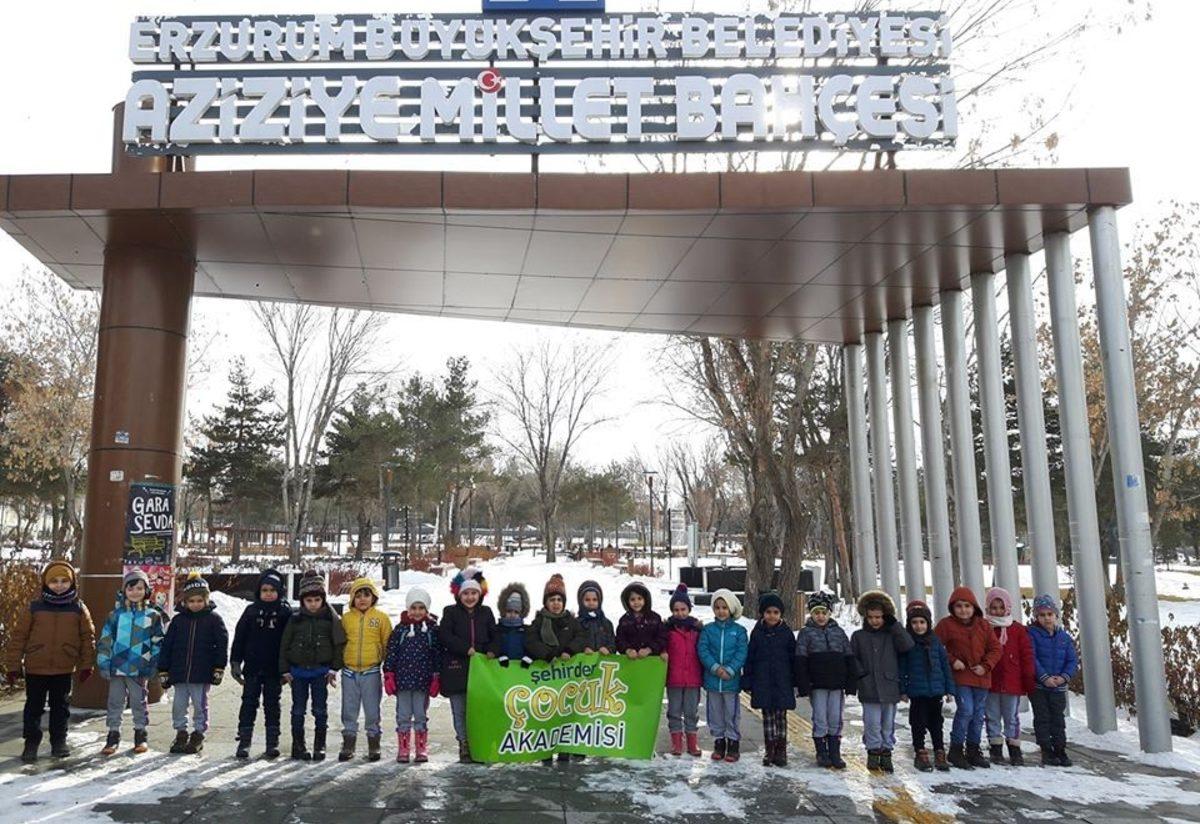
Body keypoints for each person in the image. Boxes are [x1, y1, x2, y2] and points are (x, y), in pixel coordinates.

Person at [6, 561, 97, 763]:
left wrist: (86, 664)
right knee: (33, 707)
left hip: (63, 667)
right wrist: (13, 666)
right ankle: (31, 742)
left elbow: (87, 638)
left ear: (72, 583)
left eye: (64, 581)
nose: (59, 585)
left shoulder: (78, 608)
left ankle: (59, 741)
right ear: (46, 583)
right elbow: (19, 637)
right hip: (36, 667)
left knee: (60, 707)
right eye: (54, 581)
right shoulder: (34, 607)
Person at [96, 568, 167, 756]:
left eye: (139, 588)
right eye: (131, 588)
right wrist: (104, 662)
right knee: (115, 701)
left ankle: (140, 733)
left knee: (138, 701)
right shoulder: (115, 616)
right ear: (124, 591)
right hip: (117, 667)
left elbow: (158, 642)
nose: (135, 592)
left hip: (139, 668)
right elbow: (105, 640)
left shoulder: (153, 616)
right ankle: (113, 734)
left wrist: (154, 664)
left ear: (146, 591)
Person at [279, 569, 345, 762]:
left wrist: (334, 668)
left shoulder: (330, 620)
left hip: (320, 672)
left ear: (323, 599)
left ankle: (319, 745)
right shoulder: (295, 619)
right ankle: (298, 745)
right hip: (298, 672)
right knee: (298, 709)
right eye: (309, 600)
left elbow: (338, 645)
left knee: (320, 709)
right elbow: (284, 644)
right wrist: (284, 669)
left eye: (317, 600)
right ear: (302, 601)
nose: (313, 604)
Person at [159, 572, 228, 756]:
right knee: (179, 705)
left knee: (200, 704)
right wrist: (163, 669)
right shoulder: (178, 621)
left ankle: (198, 733)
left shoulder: (214, 620)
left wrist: (219, 667)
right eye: (191, 601)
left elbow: (221, 645)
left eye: (200, 600)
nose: (195, 604)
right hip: (179, 672)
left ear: (206, 600)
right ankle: (181, 732)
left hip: (202, 673)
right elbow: (167, 645)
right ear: (185, 602)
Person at [935, 586, 1002, 769]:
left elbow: (996, 649)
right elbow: (934, 646)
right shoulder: (946, 625)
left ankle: (973, 749)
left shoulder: (983, 625)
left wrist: (986, 666)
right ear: (952, 607)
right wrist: (952, 660)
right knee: (966, 710)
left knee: (978, 714)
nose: (963, 610)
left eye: (967, 606)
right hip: (961, 675)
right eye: (959, 606)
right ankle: (956, 749)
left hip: (981, 675)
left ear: (974, 607)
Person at [230, 568, 291, 759]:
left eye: (273, 590)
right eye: (265, 590)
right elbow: (239, 638)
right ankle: (244, 741)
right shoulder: (251, 611)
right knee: (249, 703)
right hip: (253, 667)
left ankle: (272, 742)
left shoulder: (285, 612)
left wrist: (288, 668)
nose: (268, 594)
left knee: (272, 705)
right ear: (259, 591)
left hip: (275, 669)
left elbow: (290, 641)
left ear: (279, 591)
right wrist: (235, 662)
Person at [851, 589, 914, 773]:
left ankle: (886, 751)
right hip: (869, 687)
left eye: (878, 617)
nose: (875, 621)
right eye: (871, 617)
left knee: (887, 723)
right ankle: (873, 750)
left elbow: (907, 645)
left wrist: (895, 626)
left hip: (889, 686)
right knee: (872, 723)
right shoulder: (859, 636)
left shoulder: (892, 635)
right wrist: (861, 675)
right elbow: (853, 658)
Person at [528, 573, 588, 764]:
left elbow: (581, 637)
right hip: (547, 678)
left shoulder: (571, 621)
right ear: (546, 602)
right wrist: (547, 654)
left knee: (566, 714)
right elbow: (530, 641)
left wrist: (570, 650)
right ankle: (545, 751)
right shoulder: (539, 621)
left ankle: (564, 749)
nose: (556, 603)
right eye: (552, 600)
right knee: (547, 715)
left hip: (568, 680)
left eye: (559, 600)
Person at [794, 590, 857, 770]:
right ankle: (821, 751)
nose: (820, 616)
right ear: (811, 614)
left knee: (835, 717)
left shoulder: (839, 632)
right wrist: (803, 684)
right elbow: (800, 659)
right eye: (816, 613)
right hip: (817, 684)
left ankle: (835, 751)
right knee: (820, 717)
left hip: (837, 684)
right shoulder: (806, 633)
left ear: (829, 613)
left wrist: (851, 682)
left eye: (824, 612)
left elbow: (849, 657)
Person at [439, 566, 495, 763]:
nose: (470, 597)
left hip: (481, 671)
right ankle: (463, 742)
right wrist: (465, 649)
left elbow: (494, 635)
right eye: (466, 593)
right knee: (460, 710)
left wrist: (491, 650)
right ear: (459, 595)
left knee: (479, 709)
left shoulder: (486, 613)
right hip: (456, 670)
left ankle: (480, 742)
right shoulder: (450, 612)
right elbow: (445, 636)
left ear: (480, 594)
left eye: (474, 593)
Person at [383, 587, 441, 764]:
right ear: (408, 609)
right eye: (413, 608)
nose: (417, 612)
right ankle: (404, 747)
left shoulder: (431, 630)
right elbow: (392, 652)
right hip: (403, 681)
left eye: (421, 608)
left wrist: (436, 676)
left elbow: (436, 654)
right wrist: (388, 673)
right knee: (403, 715)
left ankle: (421, 747)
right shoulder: (400, 630)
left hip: (423, 682)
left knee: (420, 714)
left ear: (427, 610)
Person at [339, 577, 393, 762]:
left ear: (373, 597)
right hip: (349, 672)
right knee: (349, 709)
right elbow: (340, 642)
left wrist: (386, 665)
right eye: (358, 595)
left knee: (372, 710)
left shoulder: (381, 618)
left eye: (366, 595)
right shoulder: (346, 619)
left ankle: (373, 742)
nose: (362, 599)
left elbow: (387, 643)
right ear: (352, 598)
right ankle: (348, 742)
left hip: (371, 671)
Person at [899, 600, 955, 772]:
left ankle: (939, 751)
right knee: (918, 723)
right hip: (917, 692)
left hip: (935, 691)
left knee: (937, 723)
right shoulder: (908, 643)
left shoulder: (935, 642)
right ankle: (920, 751)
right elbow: (902, 668)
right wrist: (903, 689)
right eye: (914, 622)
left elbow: (944, 665)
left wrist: (949, 689)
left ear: (928, 623)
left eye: (922, 622)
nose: (919, 626)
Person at [743, 591, 797, 768]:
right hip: (763, 682)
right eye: (768, 612)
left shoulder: (787, 633)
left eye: (776, 612)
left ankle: (781, 750)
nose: (772, 616)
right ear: (762, 613)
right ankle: (770, 749)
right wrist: (748, 680)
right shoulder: (757, 633)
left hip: (782, 682)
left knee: (781, 717)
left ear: (781, 614)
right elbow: (750, 658)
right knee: (767, 717)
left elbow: (794, 659)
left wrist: (795, 680)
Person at [984, 586, 1035, 765]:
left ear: (1007, 607)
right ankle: (995, 746)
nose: (997, 611)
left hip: (1012, 681)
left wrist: (1028, 679)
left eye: (1001, 607)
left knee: (1011, 716)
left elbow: (1026, 655)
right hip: (990, 680)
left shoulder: (1017, 630)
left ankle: (1014, 747)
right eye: (993, 608)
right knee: (992, 715)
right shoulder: (985, 628)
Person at [697, 588, 748, 763]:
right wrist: (715, 668)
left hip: (731, 682)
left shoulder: (739, 631)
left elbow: (741, 652)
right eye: (717, 607)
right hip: (713, 681)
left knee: (731, 713)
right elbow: (703, 650)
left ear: (731, 609)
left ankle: (733, 742)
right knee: (715, 713)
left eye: (724, 608)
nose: (721, 611)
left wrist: (731, 670)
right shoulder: (708, 630)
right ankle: (719, 741)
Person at [1027, 594, 1078, 767]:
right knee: (1042, 718)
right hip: (1039, 686)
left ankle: (1060, 749)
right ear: (1036, 617)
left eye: (1049, 614)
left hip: (1058, 686)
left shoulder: (1064, 637)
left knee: (1058, 719)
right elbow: (1032, 658)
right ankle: (1046, 750)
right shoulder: (1032, 634)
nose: (1046, 618)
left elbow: (1072, 660)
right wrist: (1044, 677)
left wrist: (1063, 677)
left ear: (1056, 615)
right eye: (1042, 615)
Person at [664, 584, 704, 757]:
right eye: (676, 610)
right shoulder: (667, 629)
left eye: (683, 609)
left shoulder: (697, 629)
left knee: (691, 712)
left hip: (693, 678)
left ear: (689, 609)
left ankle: (692, 743)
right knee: (674, 711)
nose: (680, 613)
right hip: (674, 678)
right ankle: (676, 742)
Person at [615, 582, 666, 659]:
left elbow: (662, 637)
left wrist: (650, 649)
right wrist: (627, 650)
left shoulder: (655, 618)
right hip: (632, 661)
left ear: (645, 599)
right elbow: (620, 639)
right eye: (632, 599)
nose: (636, 602)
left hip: (652, 660)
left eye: (639, 598)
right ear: (627, 601)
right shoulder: (624, 621)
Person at [488, 582, 533, 667]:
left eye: (516, 612)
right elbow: (492, 646)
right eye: (509, 611)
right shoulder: (497, 629)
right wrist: (499, 655)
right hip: (501, 670)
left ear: (522, 612)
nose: (512, 615)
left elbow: (532, 647)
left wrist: (528, 657)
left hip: (522, 670)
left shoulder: (527, 630)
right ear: (503, 610)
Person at [576, 580, 616, 655]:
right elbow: (572, 643)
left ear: (599, 601)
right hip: (583, 661)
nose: (591, 603)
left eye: (594, 600)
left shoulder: (606, 623)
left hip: (602, 660)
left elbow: (613, 642)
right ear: (581, 601)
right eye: (587, 600)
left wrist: (609, 649)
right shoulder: (576, 623)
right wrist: (582, 649)